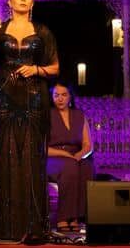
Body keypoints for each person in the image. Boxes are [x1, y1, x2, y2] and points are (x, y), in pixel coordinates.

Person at [0, 0, 59, 243]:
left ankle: (34, 228)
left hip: (34, 100)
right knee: (6, 157)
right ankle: (6, 229)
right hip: (4, 100)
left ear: (32, 3)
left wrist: (36, 70)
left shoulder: (43, 31)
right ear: (9, 2)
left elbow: (55, 68)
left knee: (32, 160)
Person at [46, 82, 94, 233]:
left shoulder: (79, 115)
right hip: (53, 156)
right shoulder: (46, 115)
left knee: (86, 167)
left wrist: (79, 155)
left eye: (64, 95)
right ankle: (63, 217)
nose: (60, 98)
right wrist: (65, 155)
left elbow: (88, 145)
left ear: (70, 97)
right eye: (56, 95)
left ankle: (77, 217)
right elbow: (42, 148)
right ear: (51, 97)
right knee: (69, 166)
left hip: (74, 156)